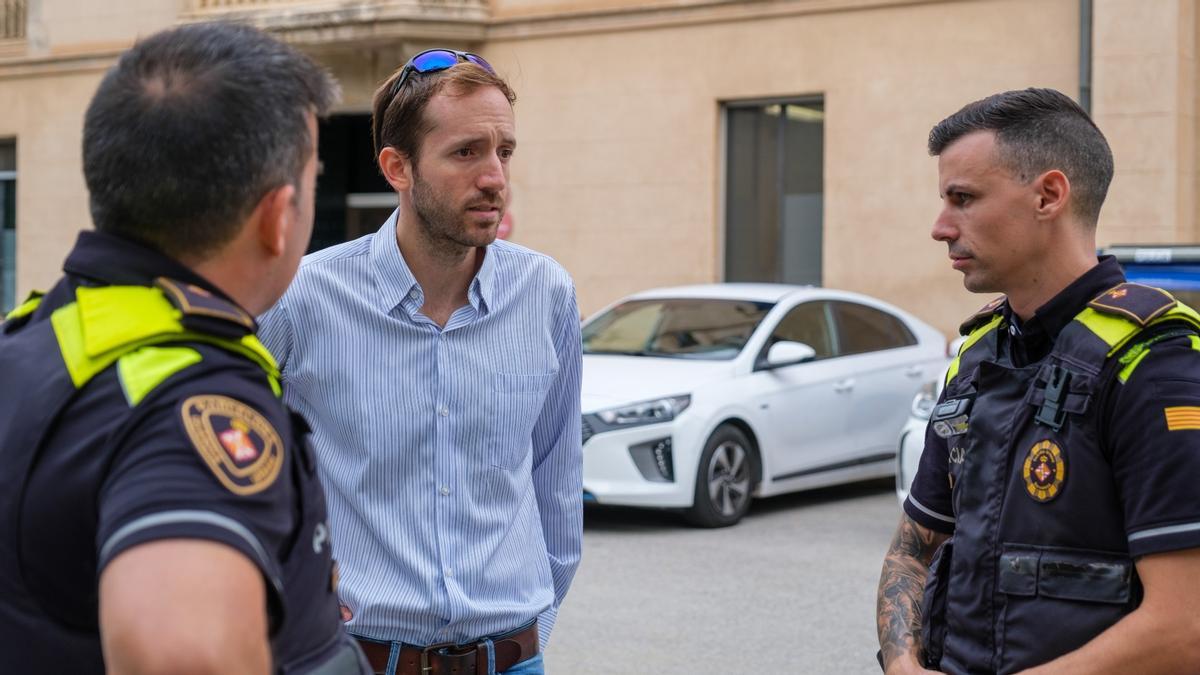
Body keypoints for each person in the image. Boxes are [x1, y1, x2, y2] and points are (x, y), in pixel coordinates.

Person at [0, 22, 370, 674]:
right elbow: (180, 652)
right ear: (278, 216)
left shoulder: (38, 339)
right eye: (313, 178)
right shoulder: (197, 403)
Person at [256, 49, 583, 675]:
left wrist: (529, 633)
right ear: (397, 167)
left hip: (513, 661)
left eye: (504, 152)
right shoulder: (301, 296)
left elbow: (556, 489)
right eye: (466, 153)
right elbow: (241, 473)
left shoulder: (547, 295)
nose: (494, 177)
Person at [875, 87, 1200, 674]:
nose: (939, 228)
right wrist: (902, 665)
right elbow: (912, 550)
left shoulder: (1154, 364)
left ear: (1048, 195)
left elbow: (1186, 627)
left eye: (963, 199)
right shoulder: (978, 356)